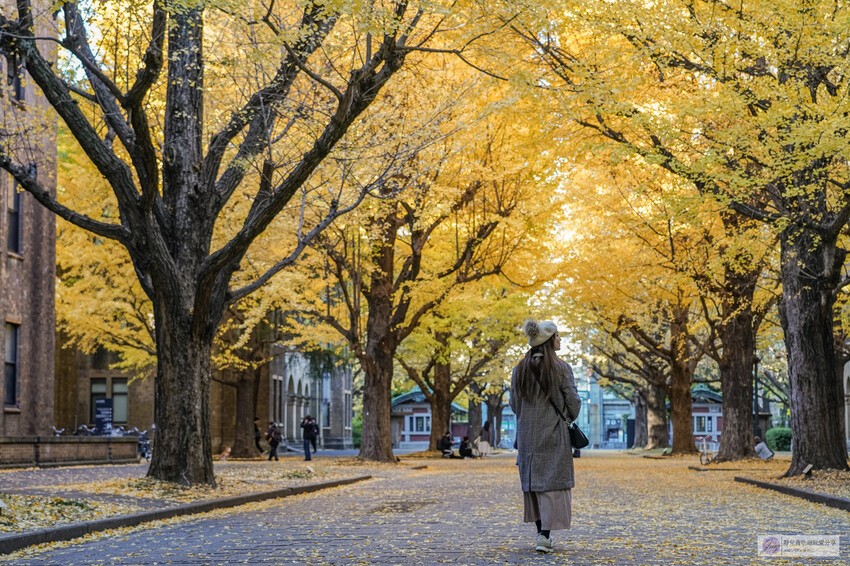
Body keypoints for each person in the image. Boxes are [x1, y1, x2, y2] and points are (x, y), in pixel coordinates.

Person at [510, 318, 581, 554]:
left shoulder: (519, 369)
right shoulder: (561, 368)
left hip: (528, 436)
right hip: (554, 434)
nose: (560, 340)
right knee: (551, 483)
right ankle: (545, 535)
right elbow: (574, 402)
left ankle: (541, 533)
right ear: (550, 341)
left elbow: (514, 404)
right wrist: (566, 418)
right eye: (558, 336)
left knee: (535, 485)